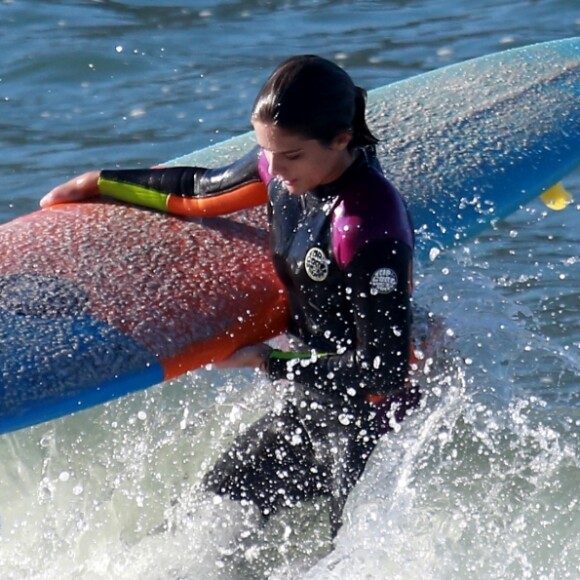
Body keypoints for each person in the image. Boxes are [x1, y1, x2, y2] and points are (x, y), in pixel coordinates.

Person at [40, 55, 418, 537]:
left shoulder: (367, 225)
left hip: (371, 424)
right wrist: (99, 182)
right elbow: (199, 191)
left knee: (341, 558)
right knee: (196, 524)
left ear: (342, 139)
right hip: (308, 404)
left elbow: (384, 369)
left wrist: (268, 361)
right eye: (267, 151)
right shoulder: (286, 169)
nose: (275, 170)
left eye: (291, 156)